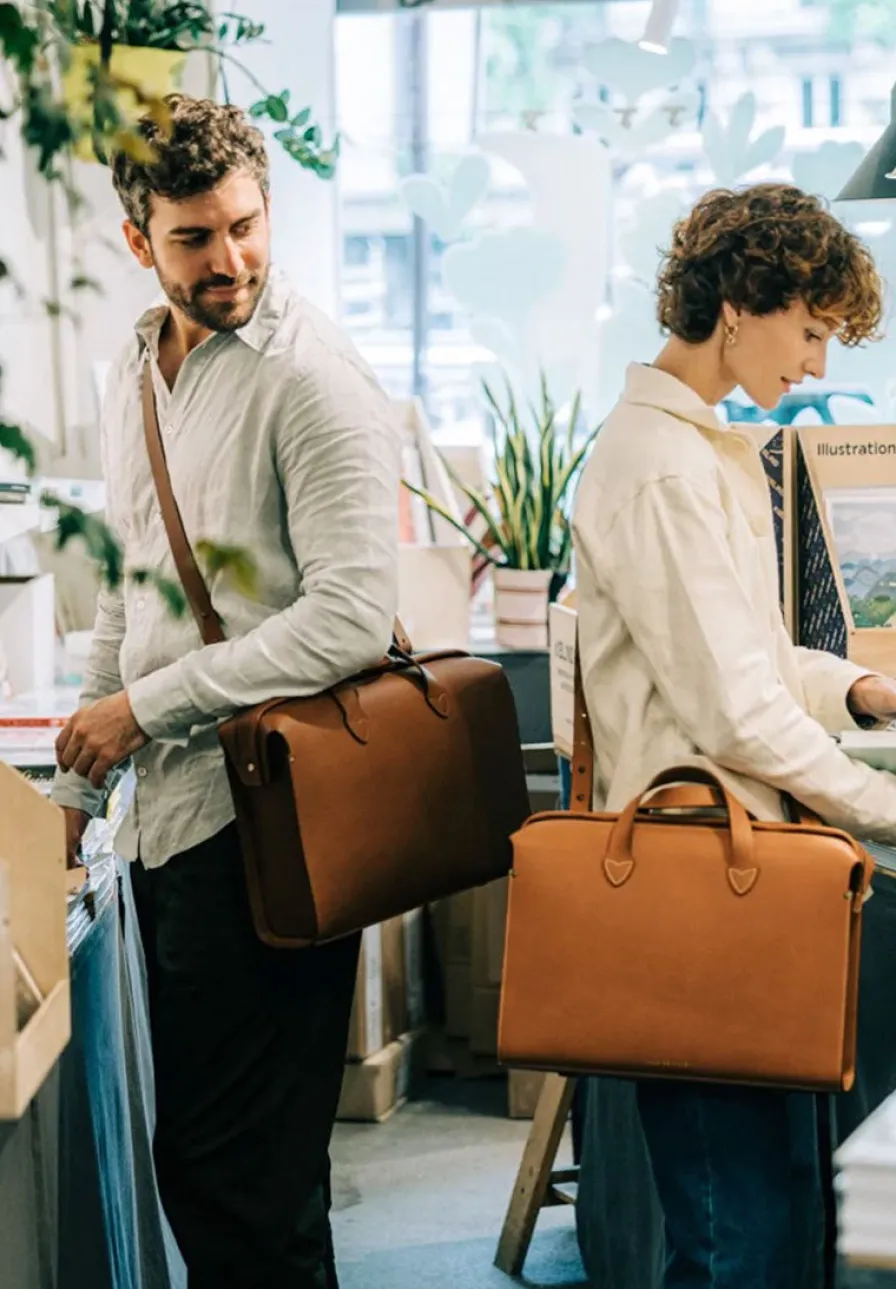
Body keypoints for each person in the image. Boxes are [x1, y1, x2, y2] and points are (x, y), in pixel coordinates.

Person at [51, 94, 401, 1289]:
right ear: (137, 239)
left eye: (245, 226)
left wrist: (142, 711)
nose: (231, 260)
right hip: (171, 826)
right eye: (194, 238)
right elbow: (128, 583)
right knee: (216, 1165)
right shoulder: (136, 369)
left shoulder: (312, 379)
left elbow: (352, 615)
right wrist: (75, 781)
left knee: (242, 1176)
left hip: (273, 821)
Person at [572, 182, 896, 1289]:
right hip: (700, 884)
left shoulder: (702, 447)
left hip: (741, 879)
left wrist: (861, 691)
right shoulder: (658, 464)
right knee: (733, 1234)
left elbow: (747, 663)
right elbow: (728, 711)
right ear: (740, 302)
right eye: (807, 329)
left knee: (771, 1209)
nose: (813, 363)